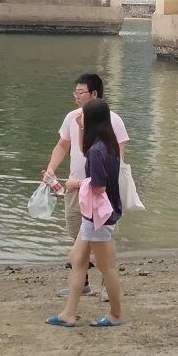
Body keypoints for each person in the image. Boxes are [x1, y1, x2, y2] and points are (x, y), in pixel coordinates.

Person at [41, 73, 128, 297]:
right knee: (76, 235)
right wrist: (51, 169)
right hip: (75, 189)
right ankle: (83, 283)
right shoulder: (72, 118)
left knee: (103, 240)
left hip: (100, 191)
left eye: (81, 92)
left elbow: (117, 158)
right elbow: (63, 145)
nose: (76, 97)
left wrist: (89, 184)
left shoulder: (113, 120)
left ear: (94, 94)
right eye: (75, 92)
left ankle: (107, 286)